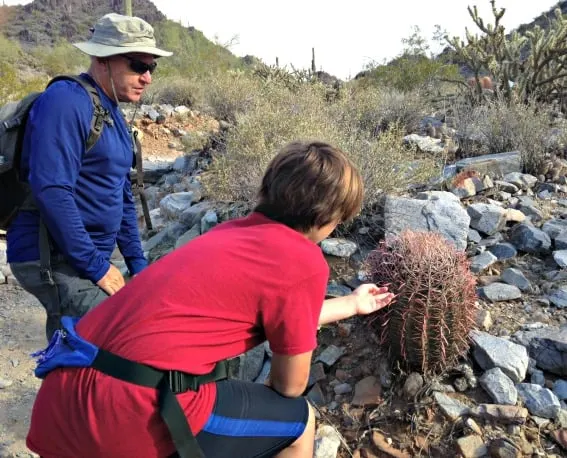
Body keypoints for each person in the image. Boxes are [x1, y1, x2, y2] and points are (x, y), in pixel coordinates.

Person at [25, 140, 395, 458]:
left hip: (63, 401)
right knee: (299, 420)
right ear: (326, 216)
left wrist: (350, 304)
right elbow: (289, 386)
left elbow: (281, 315)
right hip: (123, 413)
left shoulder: (231, 234)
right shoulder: (303, 260)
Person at [6, 13, 172, 340]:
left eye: (152, 67)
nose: (147, 77)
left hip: (82, 256)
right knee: (121, 339)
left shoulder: (110, 112)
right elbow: (51, 190)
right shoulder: (67, 101)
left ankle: (65, 384)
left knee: (80, 353)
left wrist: (137, 263)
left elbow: (121, 193)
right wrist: (98, 268)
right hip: (51, 256)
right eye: (138, 65)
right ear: (102, 59)